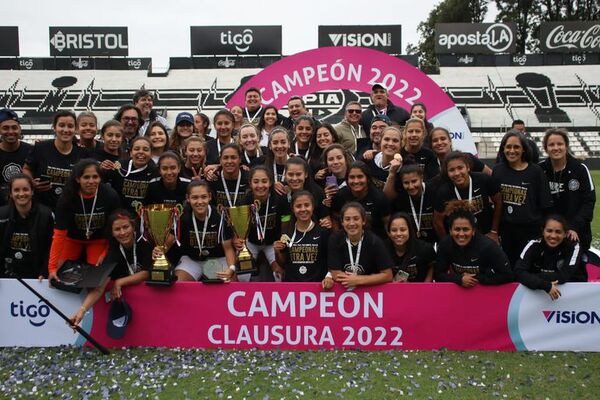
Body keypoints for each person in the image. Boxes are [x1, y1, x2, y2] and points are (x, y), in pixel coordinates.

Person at [68, 209, 153, 326]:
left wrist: (119, 282)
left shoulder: (144, 240)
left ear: (133, 226)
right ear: (112, 233)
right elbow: (99, 288)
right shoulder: (112, 253)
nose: (122, 232)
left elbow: (147, 273)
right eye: (117, 229)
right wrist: (81, 311)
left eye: (126, 227)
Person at [47, 159, 121, 283]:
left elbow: (116, 228)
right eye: (86, 177)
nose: (91, 181)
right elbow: (59, 234)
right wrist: (52, 267)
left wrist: (106, 252)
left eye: (95, 177)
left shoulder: (110, 195)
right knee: (60, 274)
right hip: (72, 239)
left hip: (99, 240)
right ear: (77, 179)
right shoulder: (67, 198)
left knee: (97, 275)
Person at [493, 131, 553, 266]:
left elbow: (545, 205)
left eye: (516, 147)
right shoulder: (498, 170)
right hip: (506, 232)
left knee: (528, 269)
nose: (511, 151)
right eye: (508, 147)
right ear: (503, 149)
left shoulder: (535, 172)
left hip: (530, 232)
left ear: (524, 149)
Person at [168, 180, 238, 282]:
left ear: (209, 197)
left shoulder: (220, 216)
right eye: (195, 197)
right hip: (192, 260)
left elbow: (228, 248)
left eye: (203, 197)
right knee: (178, 284)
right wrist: (159, 250)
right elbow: (169, 241)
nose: (200, 202)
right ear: (188, 198)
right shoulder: (182, 216)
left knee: (232, 283)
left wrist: (231, 268)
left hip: (216, 259)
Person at [539, 128, 595, 250]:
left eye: (560, 144)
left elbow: (588, 202)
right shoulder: (540, 170)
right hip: (548, 235)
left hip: (575, 233)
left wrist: (574, 227)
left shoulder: (580, 170)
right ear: (545, 148)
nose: (556, 148)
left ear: (566, 146)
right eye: (551, 144)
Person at [435, 201, 513, 287]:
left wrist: (478, 279)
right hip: (460, 291)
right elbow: (438, 275)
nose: (461, 234)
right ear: (450, 231)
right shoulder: (445, 245)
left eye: (465, 229)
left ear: (473, 231)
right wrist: (459, 279)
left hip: (486, 290)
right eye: (457, 229)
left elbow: (508, 276)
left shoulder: (488, 247)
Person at [515, 215, 587, 300]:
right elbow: (518, 272)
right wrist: (545, 285)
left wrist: (531, 277)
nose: (553, 236)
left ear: (565, 234)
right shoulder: (534, 244)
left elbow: (563, 276)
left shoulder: (574, 246)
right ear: (543, 231)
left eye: (558, 232)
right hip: (536, 297)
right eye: (549, 231)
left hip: (570, 298)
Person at [433, 151, 502, 241]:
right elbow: (438, 221)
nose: (457, 173)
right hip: (460, 239)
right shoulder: (444, 191)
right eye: (452, 170)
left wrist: (494, 231)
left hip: (486, 235)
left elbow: (499, 202)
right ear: (447, 172)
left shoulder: (483, 180)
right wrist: (447, 242)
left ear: (468, 167)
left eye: (460, 168)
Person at [23, 110, 85, 210]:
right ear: (54, 128)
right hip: (42, 207)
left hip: (70, 208)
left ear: (76, 129)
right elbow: (27, 169)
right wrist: (30, 182)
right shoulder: (40, 148)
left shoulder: (81, 153)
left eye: (70, 126)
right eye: (61, 125)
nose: (66, 130)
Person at [325, 202, 394, 290]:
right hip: (344, 290)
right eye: (347, 219)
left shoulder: (374, 241)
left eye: (356, 218)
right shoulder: (335, 239)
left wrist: (358, 280)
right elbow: (335, 273)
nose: (352, 223)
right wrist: (351, 280)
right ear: (342, 222)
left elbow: (388, 275)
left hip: (370, 291)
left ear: (363, 221)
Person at [0, 174, 53, 279]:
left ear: (32, 191)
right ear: (10, 193)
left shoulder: (46, 215)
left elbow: (50, 248)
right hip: (7, 276)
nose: (21, 194)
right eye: (16, 190)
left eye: (25, 189)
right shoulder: (2, 214)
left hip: (37, 276)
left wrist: (44, 272)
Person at [242, 166, 290, 281]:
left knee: (279, 275)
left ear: (270, 182)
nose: (260, 186)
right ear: (250, 183)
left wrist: (281, 245)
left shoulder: (280, 199)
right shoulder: (245, 201)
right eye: (256, 182)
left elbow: (286, 223)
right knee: (242, 276)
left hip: (272, 243)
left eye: (264, 181)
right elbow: (241, 228)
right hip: (252, 243)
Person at [274, 190, 329, 282]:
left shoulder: (323, 232)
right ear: (292, 208)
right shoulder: (286, 234)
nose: (303, 209)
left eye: (307, 205)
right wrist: (277, 252)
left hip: (317, 287)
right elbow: (283, 263)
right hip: (292, 287)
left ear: (313, 207)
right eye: (298, 206)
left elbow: (329, 261)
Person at [331, 161, 391, 238]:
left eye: (360, 177)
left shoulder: (379, 198)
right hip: (347, 241)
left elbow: (387, 223)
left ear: (367, 178)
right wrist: (337, 237)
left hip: (374, 241)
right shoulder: (340, 196)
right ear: (347, 179)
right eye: (352, 177)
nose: (356, 181)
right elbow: (335, 218)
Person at [104, 136, 158, 214]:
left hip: (144, 215)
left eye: (145, 149)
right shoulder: (119, 166)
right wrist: (102, 169)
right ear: (130, 153)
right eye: (136, 149)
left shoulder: (154, 171)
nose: (141, 152)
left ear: (151, 153)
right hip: (120, 215)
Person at [386, 164, 437, 243]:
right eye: (406, 183)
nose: (411, 186)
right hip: (411, 244)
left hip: (434, 242)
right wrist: (392, 173)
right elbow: (386, 197)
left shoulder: (433, 192)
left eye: (414, 181)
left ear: (421, 178)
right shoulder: (401, 198)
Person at [280, 157, 331, 229]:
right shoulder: (281, 191)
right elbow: (284, 217)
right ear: (285, 175)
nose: (294, 178)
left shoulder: (317, 192)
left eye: (298, 174)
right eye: (290, 174)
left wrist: (326, 223)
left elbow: (325, 218)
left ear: (306, 174)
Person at [386, 212, 436, 282]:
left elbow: (432, 266)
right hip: (393, 290)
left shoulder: (424, 248)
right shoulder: (382, 250)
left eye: (403, 230)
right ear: (388, 233)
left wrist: (426, 286)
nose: (398, 234)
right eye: (394, 230)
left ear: (410, 230)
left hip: (420, 290)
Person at [0, 109, 33, 206]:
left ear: (20, 129)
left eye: (14, 127)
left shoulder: (31, 151)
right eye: (5, 128)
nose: (10, 131)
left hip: (27, 207)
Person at [208, 144, 249, 208]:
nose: (229, 161)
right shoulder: (213, 179)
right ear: (220, 160)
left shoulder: (248, 179)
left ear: (240, 159)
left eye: (233, 157)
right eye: (225, 158)